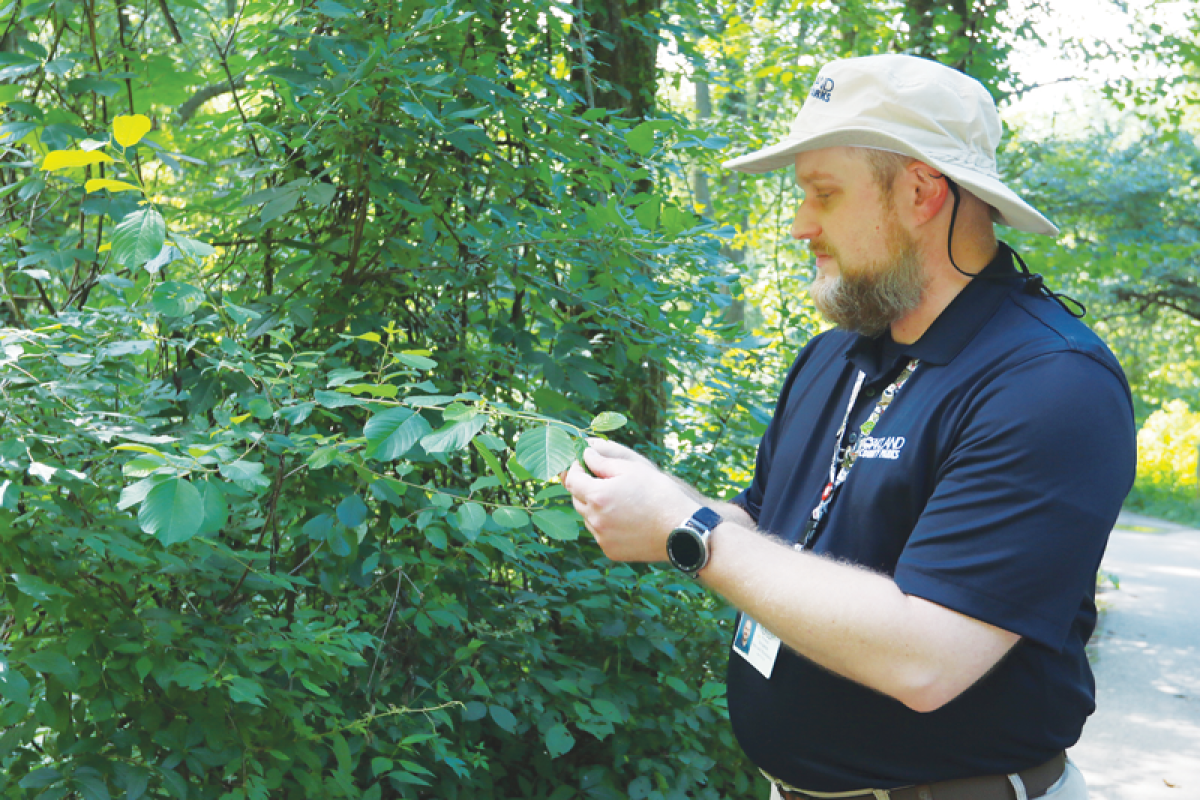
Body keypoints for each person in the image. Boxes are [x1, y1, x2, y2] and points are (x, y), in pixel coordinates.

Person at [563, 54, 1137, 800]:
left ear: (922, 192)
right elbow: (768, 529)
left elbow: (927, 659)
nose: (801, 226)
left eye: (824, 195)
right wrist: (661, 502)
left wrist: (691, 532)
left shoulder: (1049, 383)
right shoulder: (837, 355)